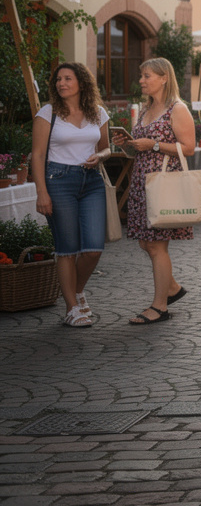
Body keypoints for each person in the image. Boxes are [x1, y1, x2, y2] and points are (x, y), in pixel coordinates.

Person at [113, 58, 192, 325]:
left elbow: (189, 147)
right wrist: (129, 144)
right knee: (145, 242)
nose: (141, 80)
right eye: (141, 75)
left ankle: (160, 307)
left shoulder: (177, 109)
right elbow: (141, 148)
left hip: (163, 180)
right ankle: (172, 288)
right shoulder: (147, 108)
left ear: (164, 78)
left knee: (157, 245)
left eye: (147, 75)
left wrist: (154, 145)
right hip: (142, 180)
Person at [32, 63, 111, 327]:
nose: (61, 83)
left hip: (91, 182)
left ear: (82, 83)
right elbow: (39, 155)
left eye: (67, 78)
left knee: (93, 248)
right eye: (58, 79)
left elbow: (107, 149)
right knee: (67, 248)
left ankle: (76, 291)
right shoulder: (47, 113)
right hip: (58, 181)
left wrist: (98, 156)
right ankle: (71, 308)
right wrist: (41, 192)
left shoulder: (97, 113)